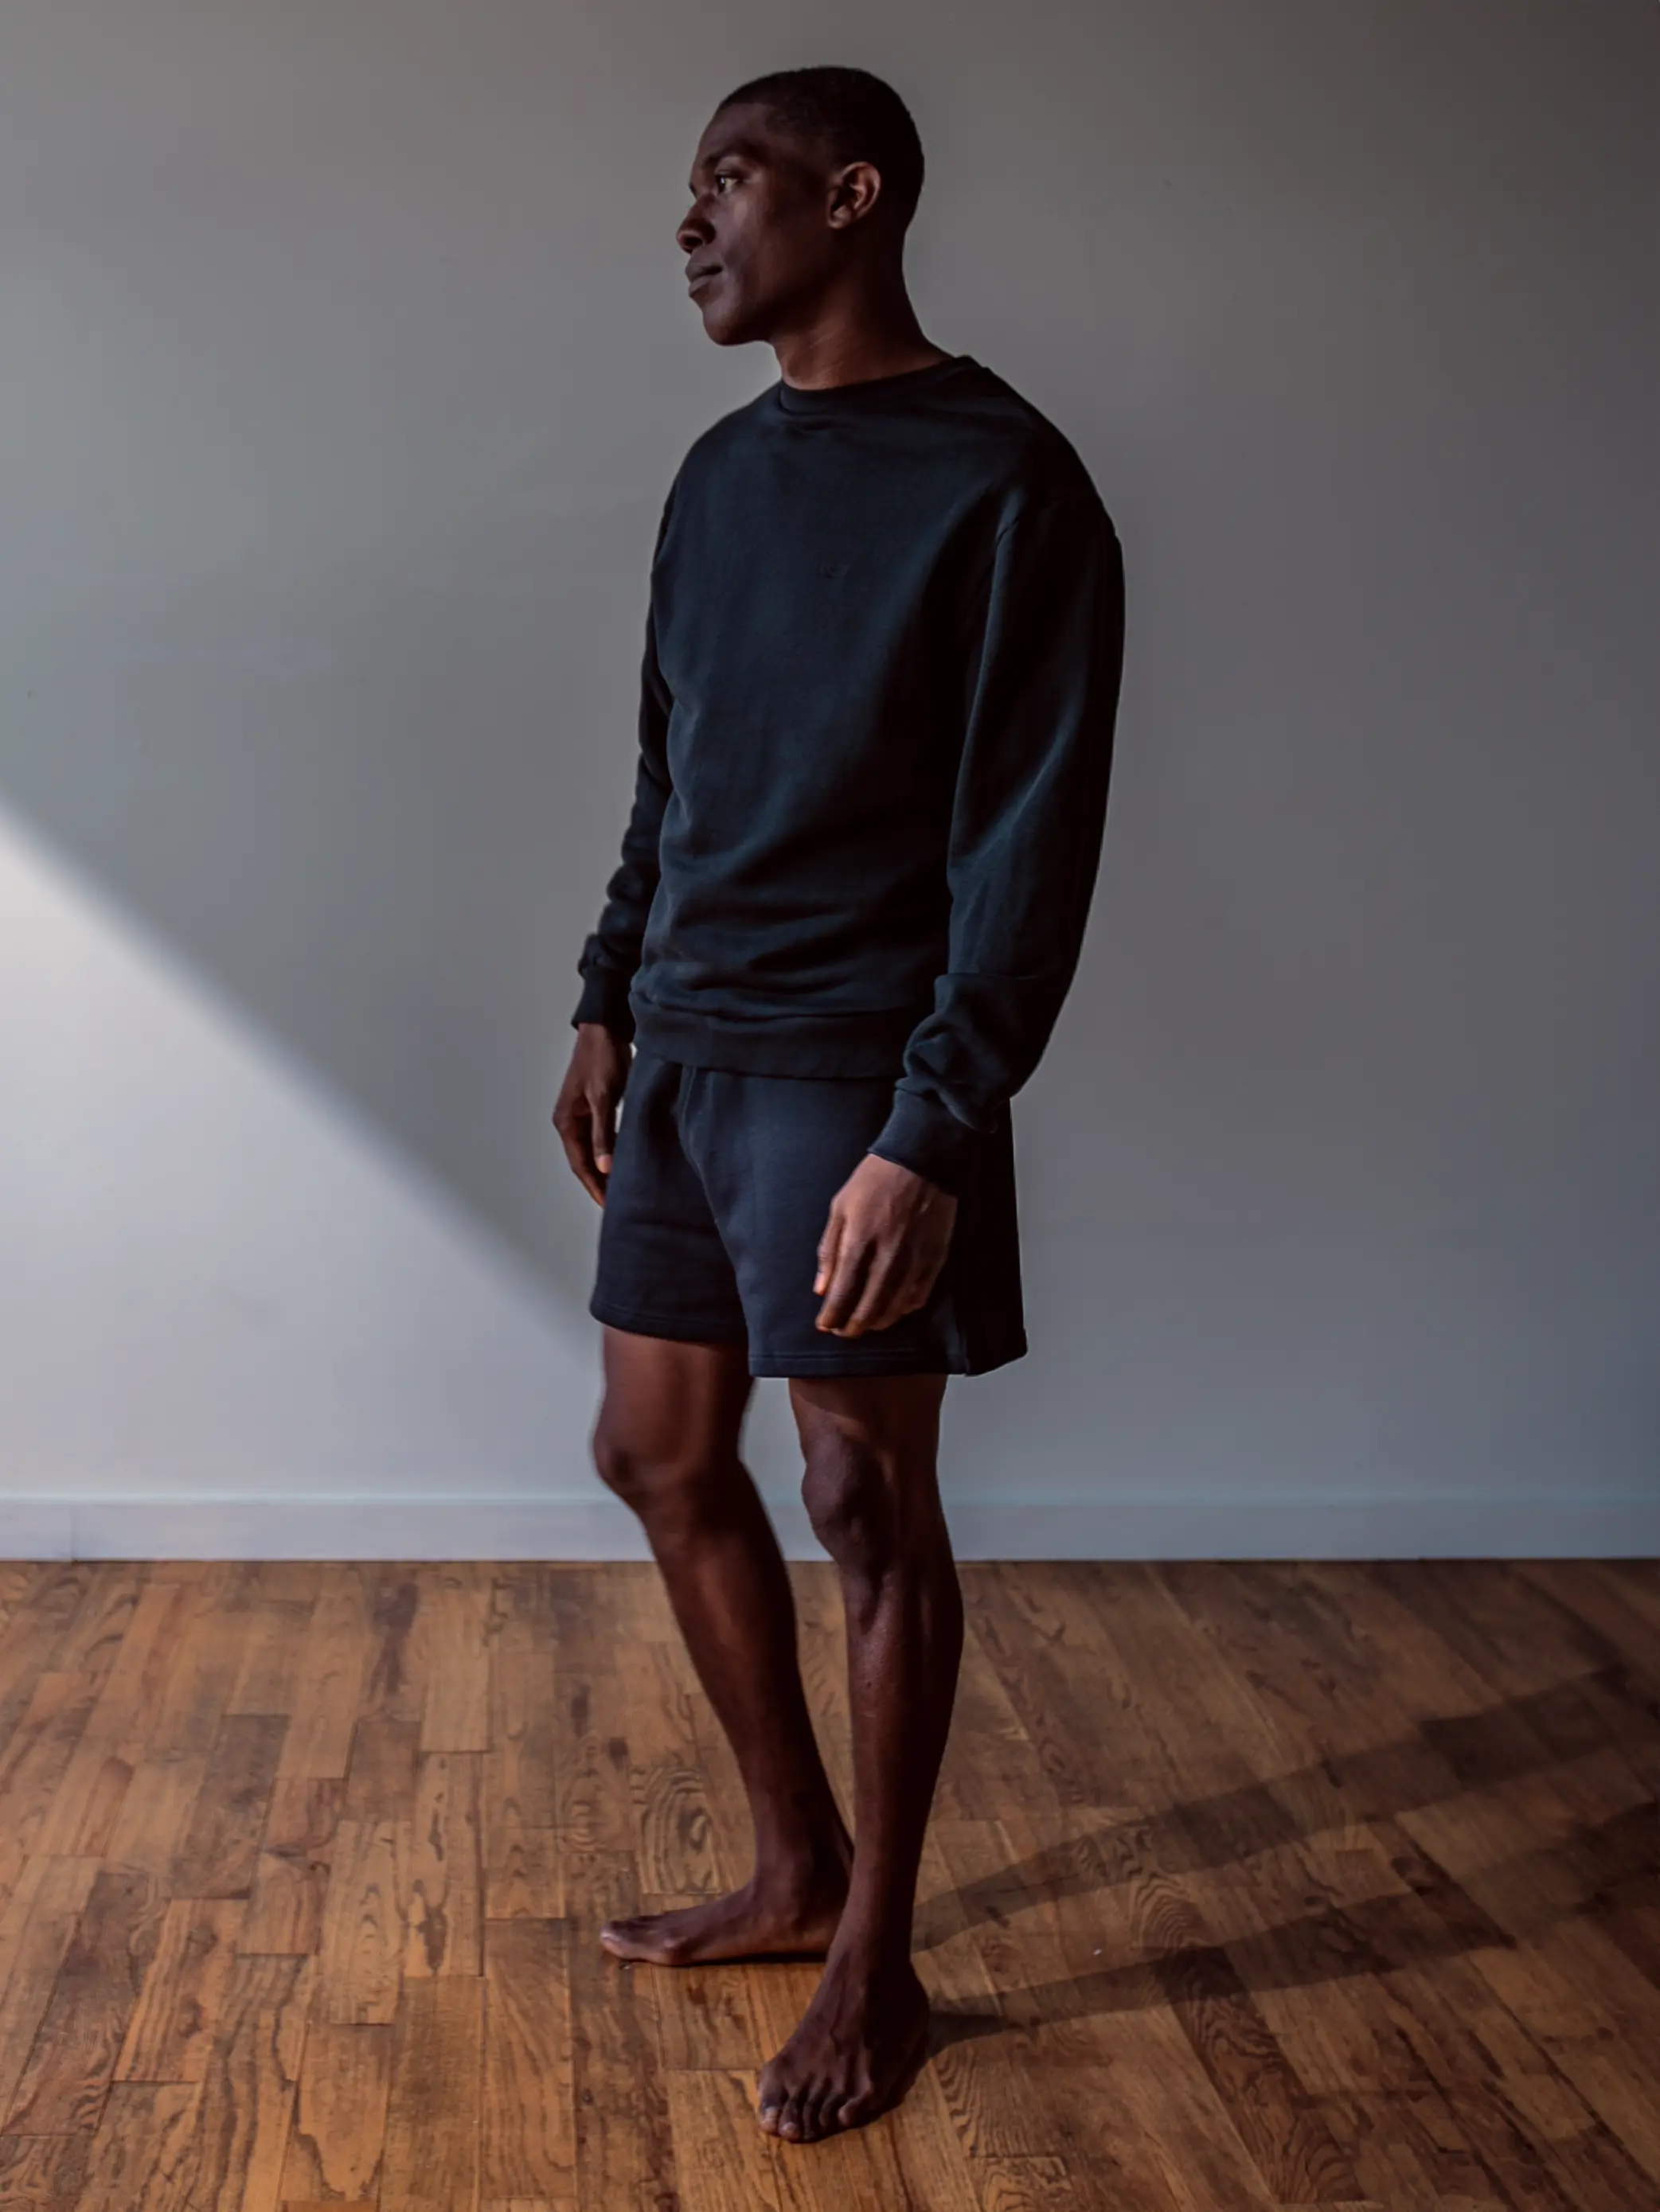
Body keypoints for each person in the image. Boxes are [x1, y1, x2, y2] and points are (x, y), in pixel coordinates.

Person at [552, 64, 1125, 2145]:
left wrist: (931, 1127)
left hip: (856, 1066)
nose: (692, 225)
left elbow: (1026, 845)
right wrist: (607, 996)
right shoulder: (719, 475)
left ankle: (878, 1953)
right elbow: (667, 770)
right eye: (693, 188)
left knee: (864, 1502)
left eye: (729, 183)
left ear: (850, 192)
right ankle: (790, 1868)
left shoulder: (1007, 482)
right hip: (688, 1045)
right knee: (650, 1448)